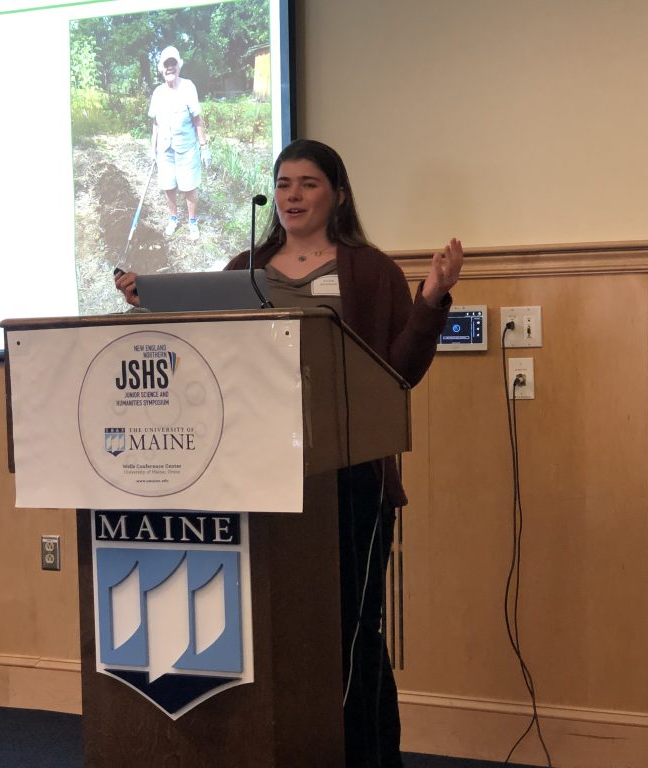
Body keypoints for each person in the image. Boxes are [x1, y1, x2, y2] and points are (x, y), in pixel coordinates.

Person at [115, 139, 463, 767]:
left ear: (338, 194)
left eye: (307, 183)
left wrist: (432, 300)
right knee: (274, 633)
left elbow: (399, 373)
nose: (292, 195)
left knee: (351, 637)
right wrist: (155, 301)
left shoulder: (369, 270)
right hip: (257, 478)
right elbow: (205, 362)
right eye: (283, 184)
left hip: (348, 481)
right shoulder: (244, 267)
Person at [148, 45, 210, 242]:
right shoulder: (158, 92)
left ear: (179, 65)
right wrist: (153, 150)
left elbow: (197, 120)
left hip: (186, 148)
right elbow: (155, 125)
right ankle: (174, 218)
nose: (169, 68)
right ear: (161, 68)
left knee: (189, 186)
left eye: (173, 63)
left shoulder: (188, 87)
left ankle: (192, 221)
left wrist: (204, 146)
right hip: (164, 149)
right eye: (166, 65)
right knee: (168, 185)